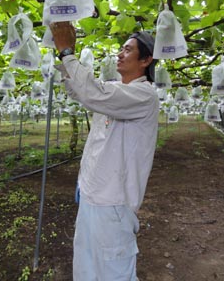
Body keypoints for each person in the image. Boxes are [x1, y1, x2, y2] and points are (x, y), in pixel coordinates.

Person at [50, 21, 159, 281]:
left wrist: (67, 52)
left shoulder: (143, 96)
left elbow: (92, 93)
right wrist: (83, 184)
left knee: (113, 271)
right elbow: (80, 92)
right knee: (87, 265)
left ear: (146, 60)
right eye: (121, 49)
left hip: (113, 204)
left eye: (128, 50)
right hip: (91, 195)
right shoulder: (117, 94)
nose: (120, 54)